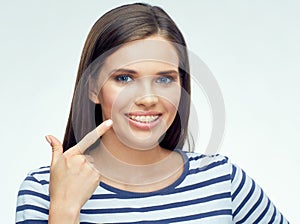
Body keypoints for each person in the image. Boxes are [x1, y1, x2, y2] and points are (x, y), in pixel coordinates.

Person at [16, 3, 289, 223]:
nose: (147, 99)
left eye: (164, 79)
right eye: (124, 78)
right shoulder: (45, 189)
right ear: (93, 89)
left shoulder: (223, 182)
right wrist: (65, 209)